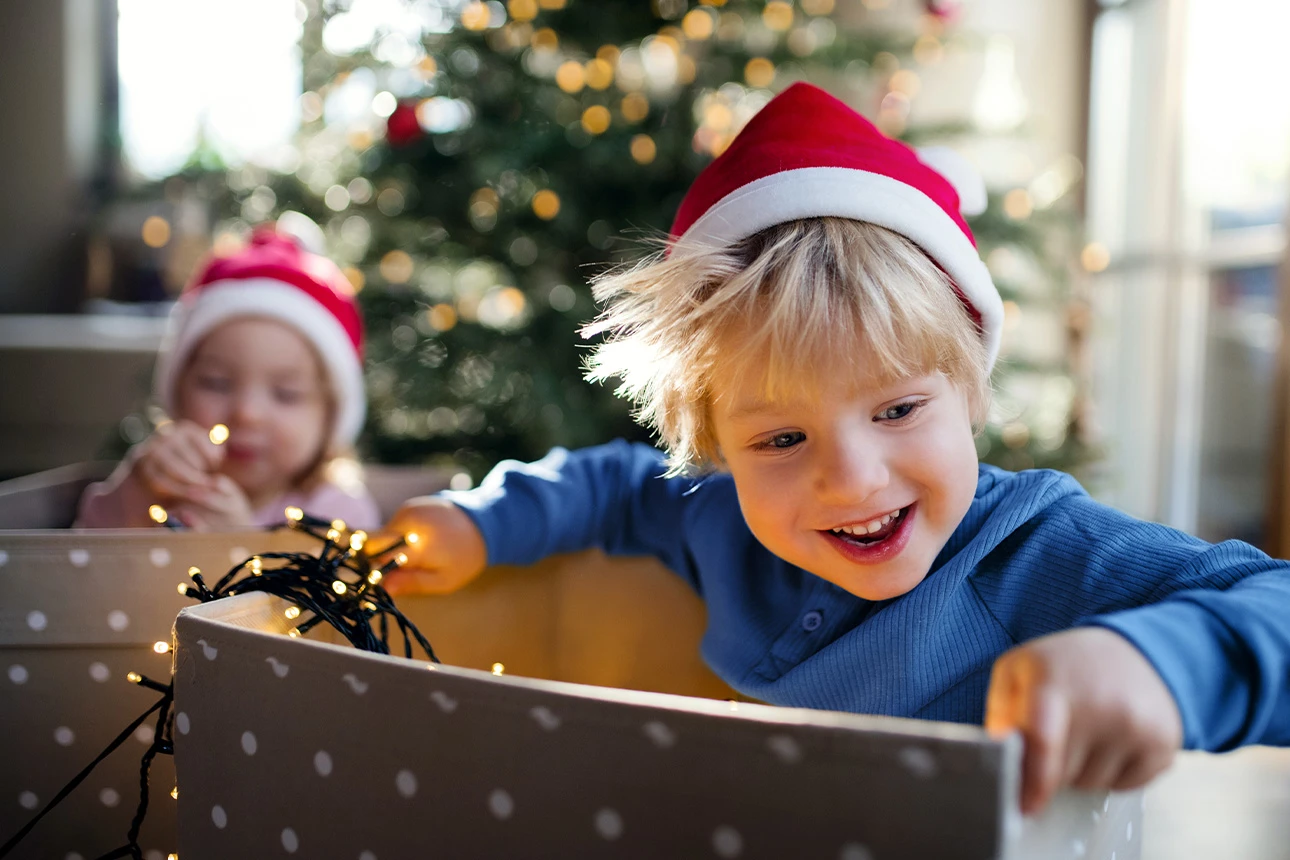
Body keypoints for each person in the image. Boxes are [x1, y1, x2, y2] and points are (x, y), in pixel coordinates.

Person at [378, 83, 1290, 813]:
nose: (851, 479)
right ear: (718, 447)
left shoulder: (1036, 555)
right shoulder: (721, 522)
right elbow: (616, 486)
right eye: (781, 437)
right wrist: (480, 522)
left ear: (970, 392)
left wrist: (1160, 663)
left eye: (897, 409)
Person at [76, 221, 380, 531]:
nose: (246, 413)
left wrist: (236, 546)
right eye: (216, 383)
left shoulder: (337, 511)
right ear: (178, 389)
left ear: (329, 416)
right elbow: (85, 542)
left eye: (286, 393)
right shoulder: (155, 487)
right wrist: (136, 492)